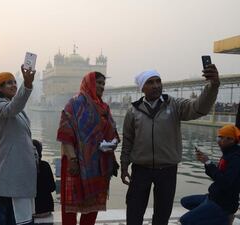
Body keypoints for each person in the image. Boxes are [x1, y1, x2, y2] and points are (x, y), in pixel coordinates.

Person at [120, 65, 220, 225]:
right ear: (142, 88)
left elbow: (199, 108)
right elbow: (128, 140)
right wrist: (124, 165)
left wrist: (213, 85)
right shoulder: (133, 111)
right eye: (150, 82)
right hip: (140, 169)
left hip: (167, 170)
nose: (156, 85)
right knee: (134, 210)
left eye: (158, 81)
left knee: (162, 214)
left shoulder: (174, 105)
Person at [57, 71, 120, 225]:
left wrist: (112, 148)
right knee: (70, 207)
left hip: (98, 163)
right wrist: (72, 159)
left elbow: (112, 134)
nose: (101, 86)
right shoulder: (74, 104)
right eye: (98, 82)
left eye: (103, 84)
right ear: (88, 83)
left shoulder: (104, 107)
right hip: (75, 162)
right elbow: (65, 135)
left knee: (93, 207)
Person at [0, 68, 37, 225]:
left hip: (22, 169)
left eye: (15, 82)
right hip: (10, 169)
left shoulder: (18, 109)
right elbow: (13, 108)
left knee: (23, 214)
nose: (13, 85)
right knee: (10, 216)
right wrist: (27, 84)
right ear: (0, 88)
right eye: (8, 83)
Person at [179, 124, 240, 225]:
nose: (218, 140)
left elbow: (225, 182)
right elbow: (217, 175)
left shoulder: (236, 158)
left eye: (221, 137)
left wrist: (208, 163)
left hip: (223, 204)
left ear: (231, 140)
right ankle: (218, 217)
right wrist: (206, 163)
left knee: (185, 220)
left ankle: (224, 218)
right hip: (214, 196)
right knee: (185, 201)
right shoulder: (228, 153)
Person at [32, 139, 55, 218]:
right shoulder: (46, 165)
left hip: (31, 211)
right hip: (46, 210)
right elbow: (52, 187)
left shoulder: (25, 168)